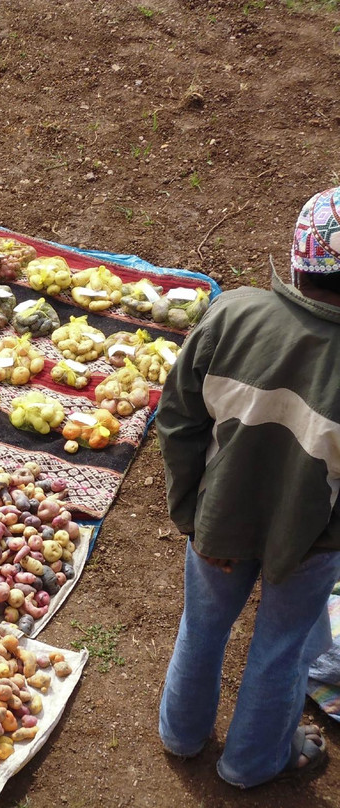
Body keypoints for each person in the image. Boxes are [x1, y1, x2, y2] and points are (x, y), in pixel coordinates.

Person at [155, 185, 340, 787]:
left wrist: (189, 506)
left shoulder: (232, 315)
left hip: (217, 520)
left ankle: (180, 736)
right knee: (282, 651)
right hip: (309, 543)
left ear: (295, 259)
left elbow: (179, 417)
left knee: (202, 626)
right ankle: (251, 765)